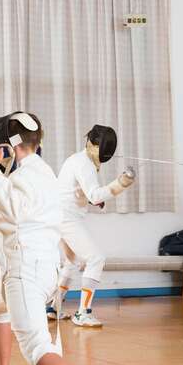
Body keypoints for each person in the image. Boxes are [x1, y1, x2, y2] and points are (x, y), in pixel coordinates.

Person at [0, 111, 111, 365]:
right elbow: (16, 207)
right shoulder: (40, 171)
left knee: (37, 346)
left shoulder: (27, 176)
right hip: (31, 270)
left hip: (26, 272)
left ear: (10, 146)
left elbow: (16, 209)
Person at [50, 125, 135, 327]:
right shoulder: (84, 163)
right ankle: (83, 313)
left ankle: (53, 308)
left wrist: (93, 199)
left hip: (60, 215)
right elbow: (95, 194)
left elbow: (78, 192)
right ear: (91, 144)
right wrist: (120, 183)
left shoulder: (78, 160)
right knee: (96, 258)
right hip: (66, 217)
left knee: (70, 262)